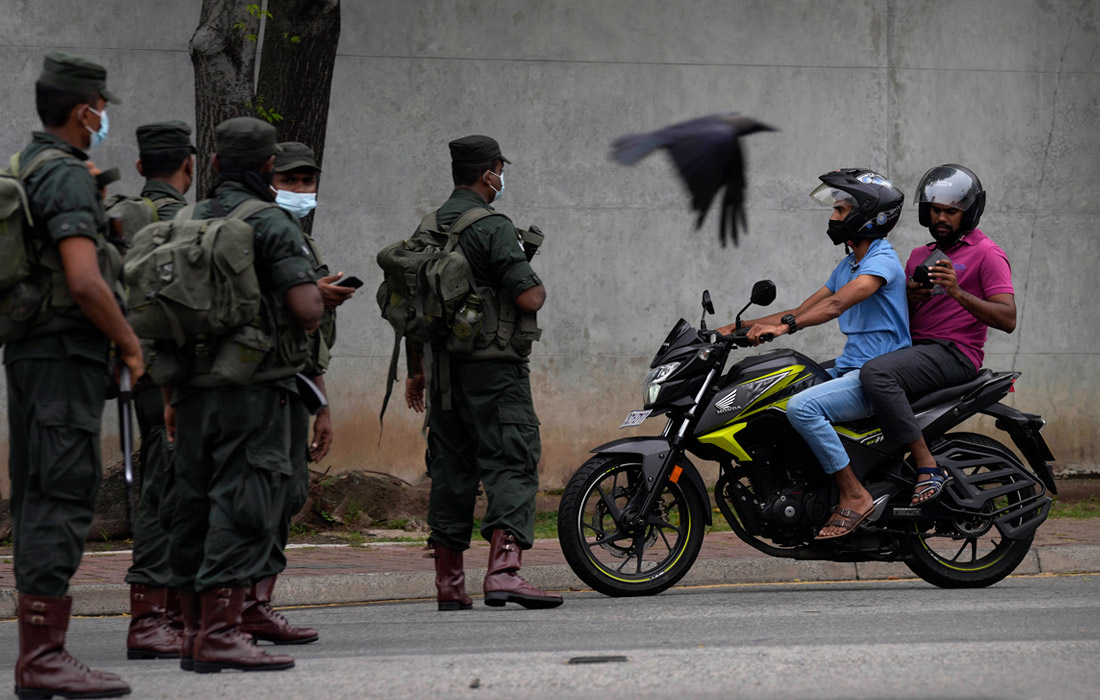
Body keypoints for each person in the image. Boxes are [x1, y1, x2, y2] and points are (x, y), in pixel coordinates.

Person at [164, 117, 323, 673]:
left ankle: (191, 632)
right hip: (252, 390)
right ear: (267, 167)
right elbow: (306, 309)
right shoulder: (271, 222)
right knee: (244, 504)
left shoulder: (186, 219)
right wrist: (320, 297)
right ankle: (223, 632)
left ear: (212, 164)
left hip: (189, 386)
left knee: (192, 504)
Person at [6, 51, 135, 699]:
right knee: (62, 492)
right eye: (101, 107)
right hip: (64, 358)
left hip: (31, 353)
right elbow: (85, 281)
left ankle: (41, 654)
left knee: (38, 493)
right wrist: (130, 345)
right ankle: (43, 657)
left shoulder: (25, 165)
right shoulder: (63, 175)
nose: (105, 117)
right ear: (84, 110)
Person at [405, 135, 562, 610]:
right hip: (493, 369)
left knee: (451, 469)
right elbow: (529, 296)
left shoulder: (428, 226)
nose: (501, 178)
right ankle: (504, 572)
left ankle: (449, 584)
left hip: (442, 370)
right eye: (500, 170)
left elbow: (415, 305)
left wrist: (416, 372)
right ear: (489, 171)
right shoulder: (493, 226)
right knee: (513, 459)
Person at [719, 169, 909, 540]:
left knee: (802, 408)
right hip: (850, 368)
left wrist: (785, 328)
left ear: (867, 215)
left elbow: (836, 305)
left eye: (841, 210)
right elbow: (801, 310)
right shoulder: (849, 264)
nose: (833, 217)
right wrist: (734, 328)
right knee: (781, 397)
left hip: (877, 374)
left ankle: (855, 496)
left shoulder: (882, 261)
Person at [240, 141, 353, 645]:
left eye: (308, 181)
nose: (302, 190)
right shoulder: (253, 233)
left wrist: (321, 405)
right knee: (256, 496)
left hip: (294, 383)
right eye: (290, 181)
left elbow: (308, 340)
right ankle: (234, 608)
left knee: (288, 492)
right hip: (253, 385)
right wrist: (312, 298)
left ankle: (257, 603)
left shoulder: (304, 245)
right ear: (269, 181)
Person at [860, 164, 1015, 505]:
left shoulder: (987, 253)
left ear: (968, 213)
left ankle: (927, 466)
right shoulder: (920, 255)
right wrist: (911, 299)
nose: (941, 217)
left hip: (955, 353)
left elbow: (1008, 318)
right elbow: (902, 316)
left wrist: (958, 293)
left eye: (951, 211)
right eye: (935, 210)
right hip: (914, 350)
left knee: (877, 373)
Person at [124, 119, 196, 661]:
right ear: (188, 167)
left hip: (137, 371)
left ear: (140, 166)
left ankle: (169, 614)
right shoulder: (186, 223)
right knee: (167, 493)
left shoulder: (121, 216)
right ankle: (151, 620)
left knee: (165, 484)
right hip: (174, 374)